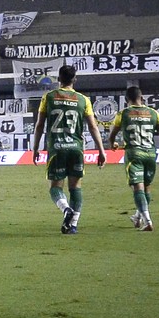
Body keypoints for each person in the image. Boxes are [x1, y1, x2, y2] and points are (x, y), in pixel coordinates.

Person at [32, 65, 107, 234]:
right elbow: (93, 126)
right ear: (75, 79)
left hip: (57, 148)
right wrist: (101, 150)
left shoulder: (48, 97)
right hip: (76, 148)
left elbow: (39, 125)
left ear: (58, 79)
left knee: (55, 187)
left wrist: (35, 148)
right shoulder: (83, 100)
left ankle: (66, 209)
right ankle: (72, 225)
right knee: (76, 187)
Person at [106, 86, 159, 231]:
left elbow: (111, 135)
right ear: (142, 98)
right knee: (146, 187)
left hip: (134, 154)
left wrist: (113, 144)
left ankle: (147, 221)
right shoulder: (154, 113)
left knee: (137, 187)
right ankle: (137, 217)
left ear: (126, 100)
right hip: (151, 154)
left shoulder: (123, 114)